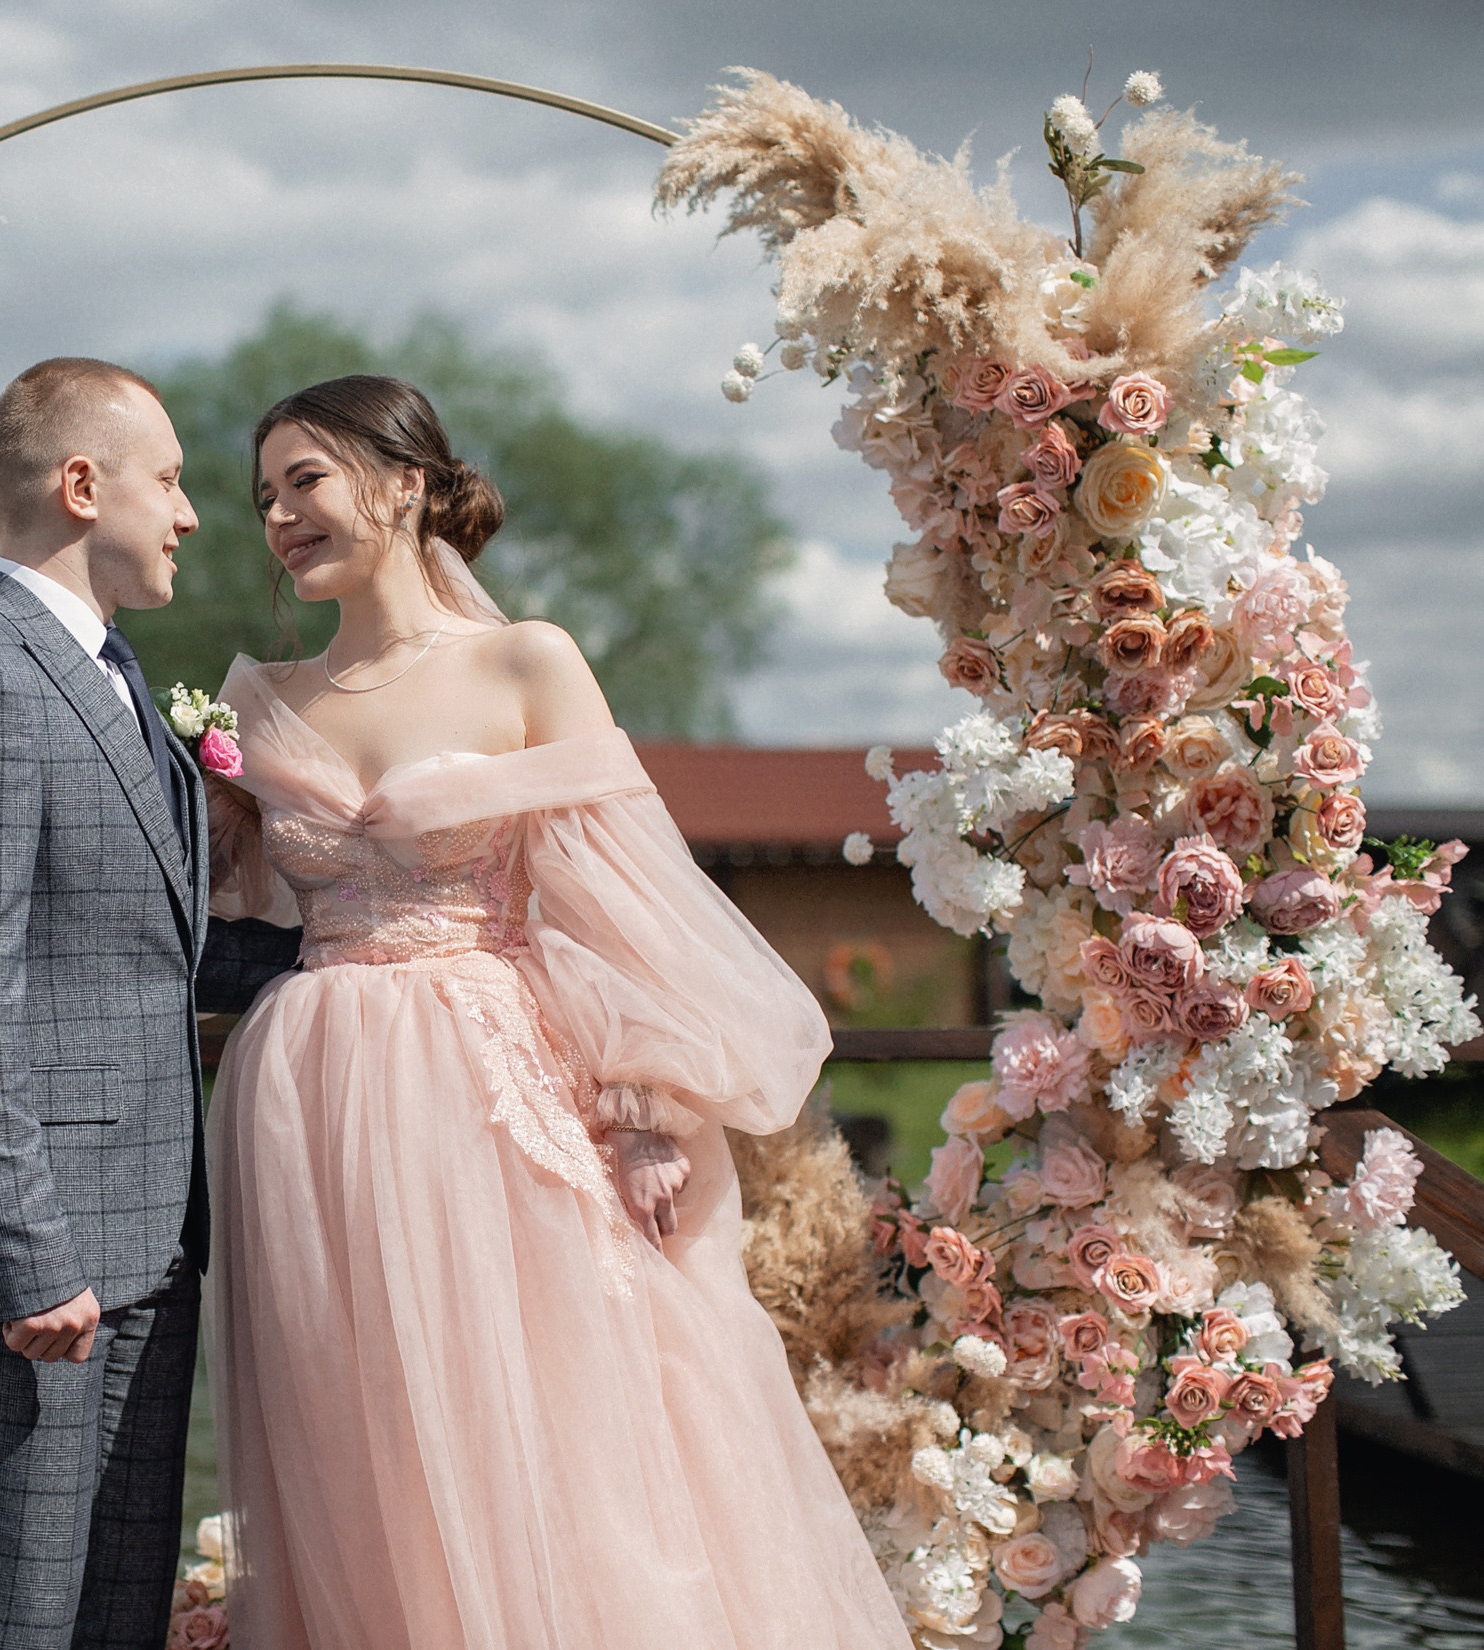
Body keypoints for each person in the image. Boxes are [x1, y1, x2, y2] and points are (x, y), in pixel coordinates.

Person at [206, 375, 915, 1648]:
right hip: (308, 1093)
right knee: (355, 1421)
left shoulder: (525, 659)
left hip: (494, 1076)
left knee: (549, 1396)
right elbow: (231, 899)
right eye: (263, 496)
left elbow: (616, 895)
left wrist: (646, 1105)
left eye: (303, 481)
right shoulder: (258, 700)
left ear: (405, 483)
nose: (277, 516)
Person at [0, 357, 299, 1650]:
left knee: (113, 1616)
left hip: (146, 1240)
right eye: (166, 477)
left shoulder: (109, 672)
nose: (192, 511)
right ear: (80, 483)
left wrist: (380, 958)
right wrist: (27, 1255)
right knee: (23, 1616)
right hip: (37, 1260)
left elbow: (149, 957)